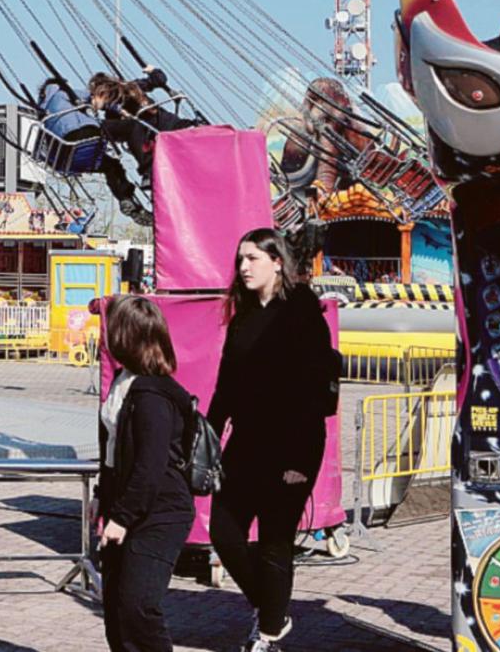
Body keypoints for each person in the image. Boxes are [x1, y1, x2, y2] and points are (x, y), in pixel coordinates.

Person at [207, 228, 337, 652]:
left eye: (253, 259)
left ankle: (266, 635)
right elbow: (226, 383)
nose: (243, 267)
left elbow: (316, 391)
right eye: (240, 260)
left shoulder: (301, 312)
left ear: (277, 262)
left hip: (293, 446)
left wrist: (299, 459)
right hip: (246, 443)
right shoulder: (243, 314)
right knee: (223, 531)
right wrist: (210, 432)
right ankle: (273, 612)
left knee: (274, 542)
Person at [98, 296, 195, 652]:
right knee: (116, 610)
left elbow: (150, 466)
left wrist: (122, 517)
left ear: (124, 335)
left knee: (138, 606)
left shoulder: (153, 394)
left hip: (159, 511)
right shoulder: (123, 381)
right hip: (125, 505)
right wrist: (101, 497)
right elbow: (113, 450)